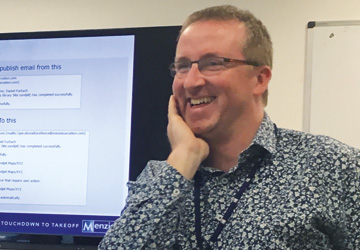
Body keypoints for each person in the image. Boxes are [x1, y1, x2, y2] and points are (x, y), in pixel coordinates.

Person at [98, 5, 360, 249]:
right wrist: (184, 157)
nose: (191, 82)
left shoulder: (333, 166)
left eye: (213, 63)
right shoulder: (160, 178)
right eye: (183, 66)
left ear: (259, 78)